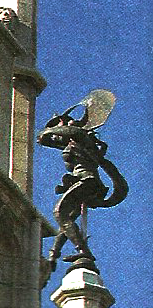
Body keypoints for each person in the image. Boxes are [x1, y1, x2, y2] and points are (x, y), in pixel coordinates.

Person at [37, 90, 128, 274]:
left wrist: (51, 129)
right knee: (67, 219)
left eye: (61, 123)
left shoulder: (80, 135)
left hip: (87, 181)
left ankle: (83, 251)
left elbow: (48, 135)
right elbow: (47, 140)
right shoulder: (74, 143)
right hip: (84, 182)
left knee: (59, 212)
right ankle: (56, 254)